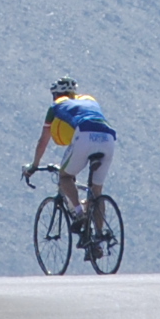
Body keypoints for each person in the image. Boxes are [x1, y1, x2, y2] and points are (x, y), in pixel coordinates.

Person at [26, 77, 117, 236]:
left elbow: (43, 141)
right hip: (108, 138)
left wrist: (34, 165)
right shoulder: (89, 99)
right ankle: (98, 238)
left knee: (65, 176)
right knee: (97, 192)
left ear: (56, 94)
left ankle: (79, 213)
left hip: (85, 135)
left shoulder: (57, 105)